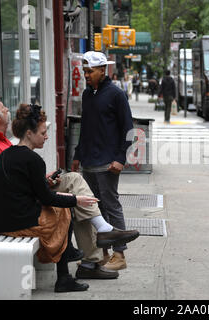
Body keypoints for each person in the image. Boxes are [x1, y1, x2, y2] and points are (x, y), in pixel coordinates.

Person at [0, 94, 137, 279]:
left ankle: (94, 253)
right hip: (20, 209)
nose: (7, 109)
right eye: (2, 107)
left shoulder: (3, 141)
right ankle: (94, 249)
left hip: (26, 198)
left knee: (75, 184)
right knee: (72, 199)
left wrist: (43, 180)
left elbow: (18, 176)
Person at [72, 51, 135, 271]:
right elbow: (85, 129)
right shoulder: (88, 95)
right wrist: (77, 154)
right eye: (84, 71)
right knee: (95, 211)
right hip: (88, 161)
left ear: (102, 70)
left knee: (111, 206)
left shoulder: (116, 95)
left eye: (90, 71)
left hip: (108, 163)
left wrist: (120, 158)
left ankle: (120, 255)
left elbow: (128, 129)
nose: (86, 75)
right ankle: (103, 254)